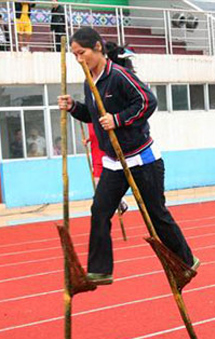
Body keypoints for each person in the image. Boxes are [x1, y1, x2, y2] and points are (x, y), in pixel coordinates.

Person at [58, 27, 198, 285]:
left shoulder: (119, 76)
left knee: (156, 215)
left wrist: (118, 120)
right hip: (114, 164)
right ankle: (99, 270)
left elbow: (147, 102)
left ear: (98, 47)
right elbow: (94, 115)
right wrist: (73, 107)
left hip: (142, 159)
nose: (79, 59)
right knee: (99, 211)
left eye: (82, 53)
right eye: (75, 55)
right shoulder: (89, 81)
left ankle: (186, 263)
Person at [87, 123, 129, 212]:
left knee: (105, 188)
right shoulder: (90, 122)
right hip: (96, 158)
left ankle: (119, 201)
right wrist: (88, 140)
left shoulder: (104, 121)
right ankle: (119, 202)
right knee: (99, 187)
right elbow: (93, 136)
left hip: (106, 157)